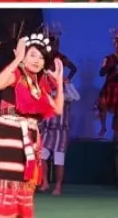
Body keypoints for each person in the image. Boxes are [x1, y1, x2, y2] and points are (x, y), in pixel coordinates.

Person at [0, 33, 64, 218]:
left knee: (25, 187)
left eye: (41, 57)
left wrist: (59, 83)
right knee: (10, 185)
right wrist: (17, 60)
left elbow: (58, 109)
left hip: (30, 139)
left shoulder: (40, 85)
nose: (37, 60)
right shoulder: (16, 74)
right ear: (23, 56)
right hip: (9, 136)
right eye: (32, 55)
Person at [39, 34, 78, 195]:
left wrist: (66, 83)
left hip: (61, 130)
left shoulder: (65, 88)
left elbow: (75, 97)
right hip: (47, 129)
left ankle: (58, 186)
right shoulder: (45, 86)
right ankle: (45, 182)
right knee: (42, 156)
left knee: (59, 159)